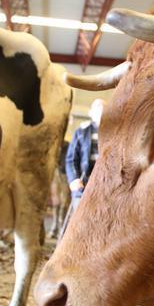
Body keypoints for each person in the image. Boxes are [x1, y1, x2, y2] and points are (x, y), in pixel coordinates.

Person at [60, 98, 104, 238]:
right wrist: (73, 179)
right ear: (91, 113)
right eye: (97, 108)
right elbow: (71, 159)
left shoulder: (116, 132)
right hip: (83, 183)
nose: (100, 110)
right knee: (78, 223)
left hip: (105, 186)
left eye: (103, 108)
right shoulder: (82, 131)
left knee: (102, 222)